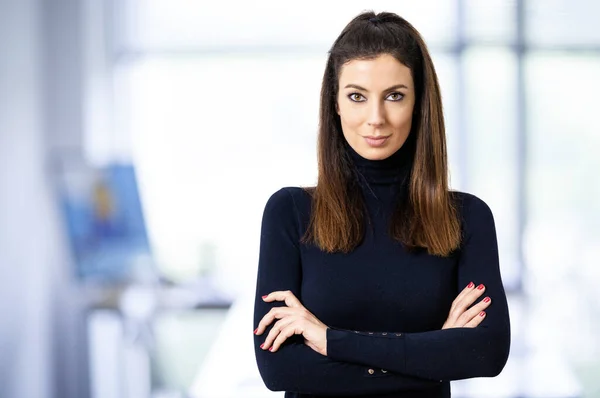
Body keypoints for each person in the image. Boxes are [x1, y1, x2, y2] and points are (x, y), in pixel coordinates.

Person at [252, 10, 510, 398]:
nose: (376, 118)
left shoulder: (466, 218)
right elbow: (280, 369)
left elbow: (486, 355)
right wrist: (433, 352)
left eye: (394, 96)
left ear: (419, 102)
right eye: (357, 96)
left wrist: (329, 340)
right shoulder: (290, 212)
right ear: (335, 103)